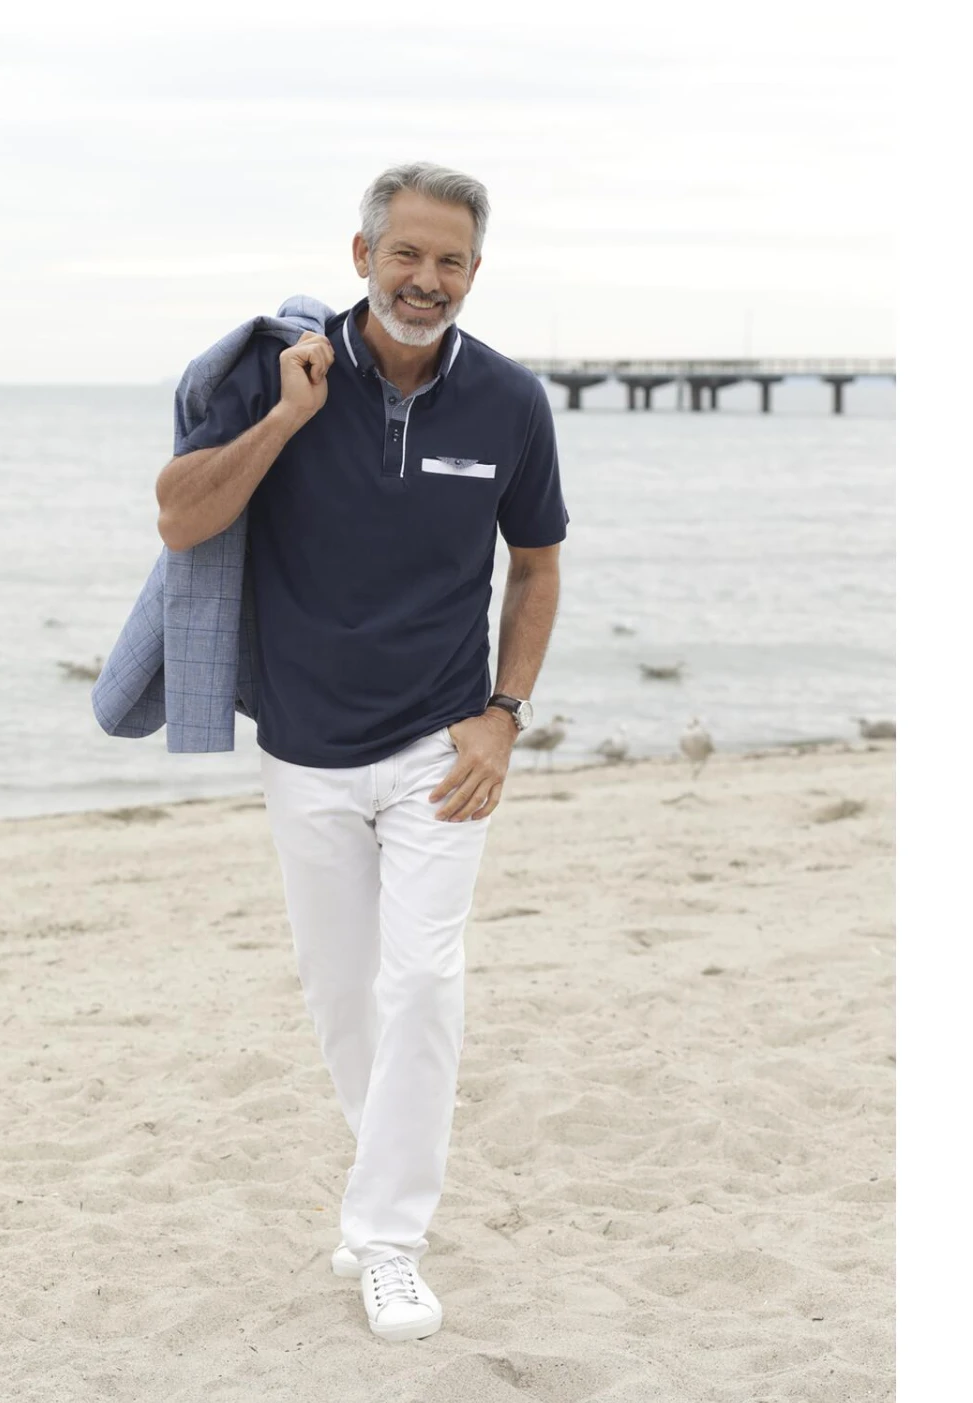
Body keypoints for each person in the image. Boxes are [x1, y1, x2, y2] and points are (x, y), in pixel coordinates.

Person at [154, 162, 569, 1341]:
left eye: (451, 262)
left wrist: (504, 713)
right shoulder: (283, 375)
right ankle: (379, 1197)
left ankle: (389, 1243)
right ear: (363, 257)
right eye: (407, 255)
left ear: (475, 272)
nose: (426, 280)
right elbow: (181, 516)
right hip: (305, 748)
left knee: (424, 981)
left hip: (442, 744)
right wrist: (286, 420)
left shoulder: (510, 402)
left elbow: (536, 566)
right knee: (345, 998)